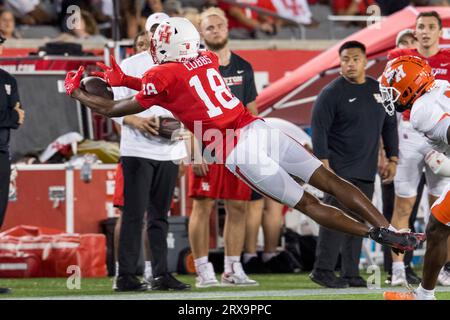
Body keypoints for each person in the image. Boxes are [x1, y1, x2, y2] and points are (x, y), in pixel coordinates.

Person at [64, 18, 425, 268]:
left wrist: (80, 92)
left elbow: (114, 106)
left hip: (238, 149)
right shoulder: (205, 58)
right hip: (260, 129)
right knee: (331, 182)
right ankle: (391, 228)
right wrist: (122, 76)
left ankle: (375, 235)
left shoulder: (162, 73)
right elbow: (162, 82)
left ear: (167, 46)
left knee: (309, 205)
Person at [104, 12, 190, 292]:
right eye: (154, 30)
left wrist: (182, 134)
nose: (159, 35)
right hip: (137, 150)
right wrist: (135, 120)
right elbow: (111, 108)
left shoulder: (183, 66)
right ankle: (126, 275)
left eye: (164, 30)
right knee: (133, 214)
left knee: (160, 216)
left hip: (168, 151)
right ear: (148, 32)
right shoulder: (131, 64)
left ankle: (161, 274)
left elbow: (190, 106)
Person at [309, 41, 399, 289]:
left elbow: (389, 126)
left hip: (366, 170)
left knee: (360, 225)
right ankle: (323, 270)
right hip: (338, 171)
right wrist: (323, 165)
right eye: (345, 59)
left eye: (355, 58)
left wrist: (393, 158)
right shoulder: (331, 92)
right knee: (335, 221)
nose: (350, 63)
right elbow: (319, 130)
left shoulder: (379, 90)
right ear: (340, 62)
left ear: (365, 60)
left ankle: (350, 273)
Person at [188, 7, 260, 288]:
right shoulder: (194, 66)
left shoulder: (244, 66)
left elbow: (251, 110)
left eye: (219, 26)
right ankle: (203, 271)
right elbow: (186, 111)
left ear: (228, 28)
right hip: (206, 142)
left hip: (237, 145)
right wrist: (193, 150)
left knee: (238, 207)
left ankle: (232, 269)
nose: (216, 31)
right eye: (209, 28)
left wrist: (254, 146)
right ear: (201, 34)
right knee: (202, 206)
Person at [387, 11, 450, 287]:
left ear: (440, 31)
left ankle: (436, 275)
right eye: (420, 27)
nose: (424, 31)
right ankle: (399, 269)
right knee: (411, 205)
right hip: (415, 136)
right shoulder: (407, 59)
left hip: (437, 132)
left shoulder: (421, 110)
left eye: (430, 27)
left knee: (439, 210)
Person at [380, 28, 422, 285]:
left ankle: (430, 267)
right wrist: (385, 152)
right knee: (397, 209)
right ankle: (395, 269)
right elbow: (383, 122)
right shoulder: (388, 79)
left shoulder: (425, 78)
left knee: (433, 209)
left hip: (425, 146)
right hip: (400, 148)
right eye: (401, 44)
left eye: (410, 43)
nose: (406, 48)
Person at [0, 33, 25, 294]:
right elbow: (13, 115)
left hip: (1, 154)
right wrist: (9, 115)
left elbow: (19, 118)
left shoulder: (8, 80)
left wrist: (9, 117)